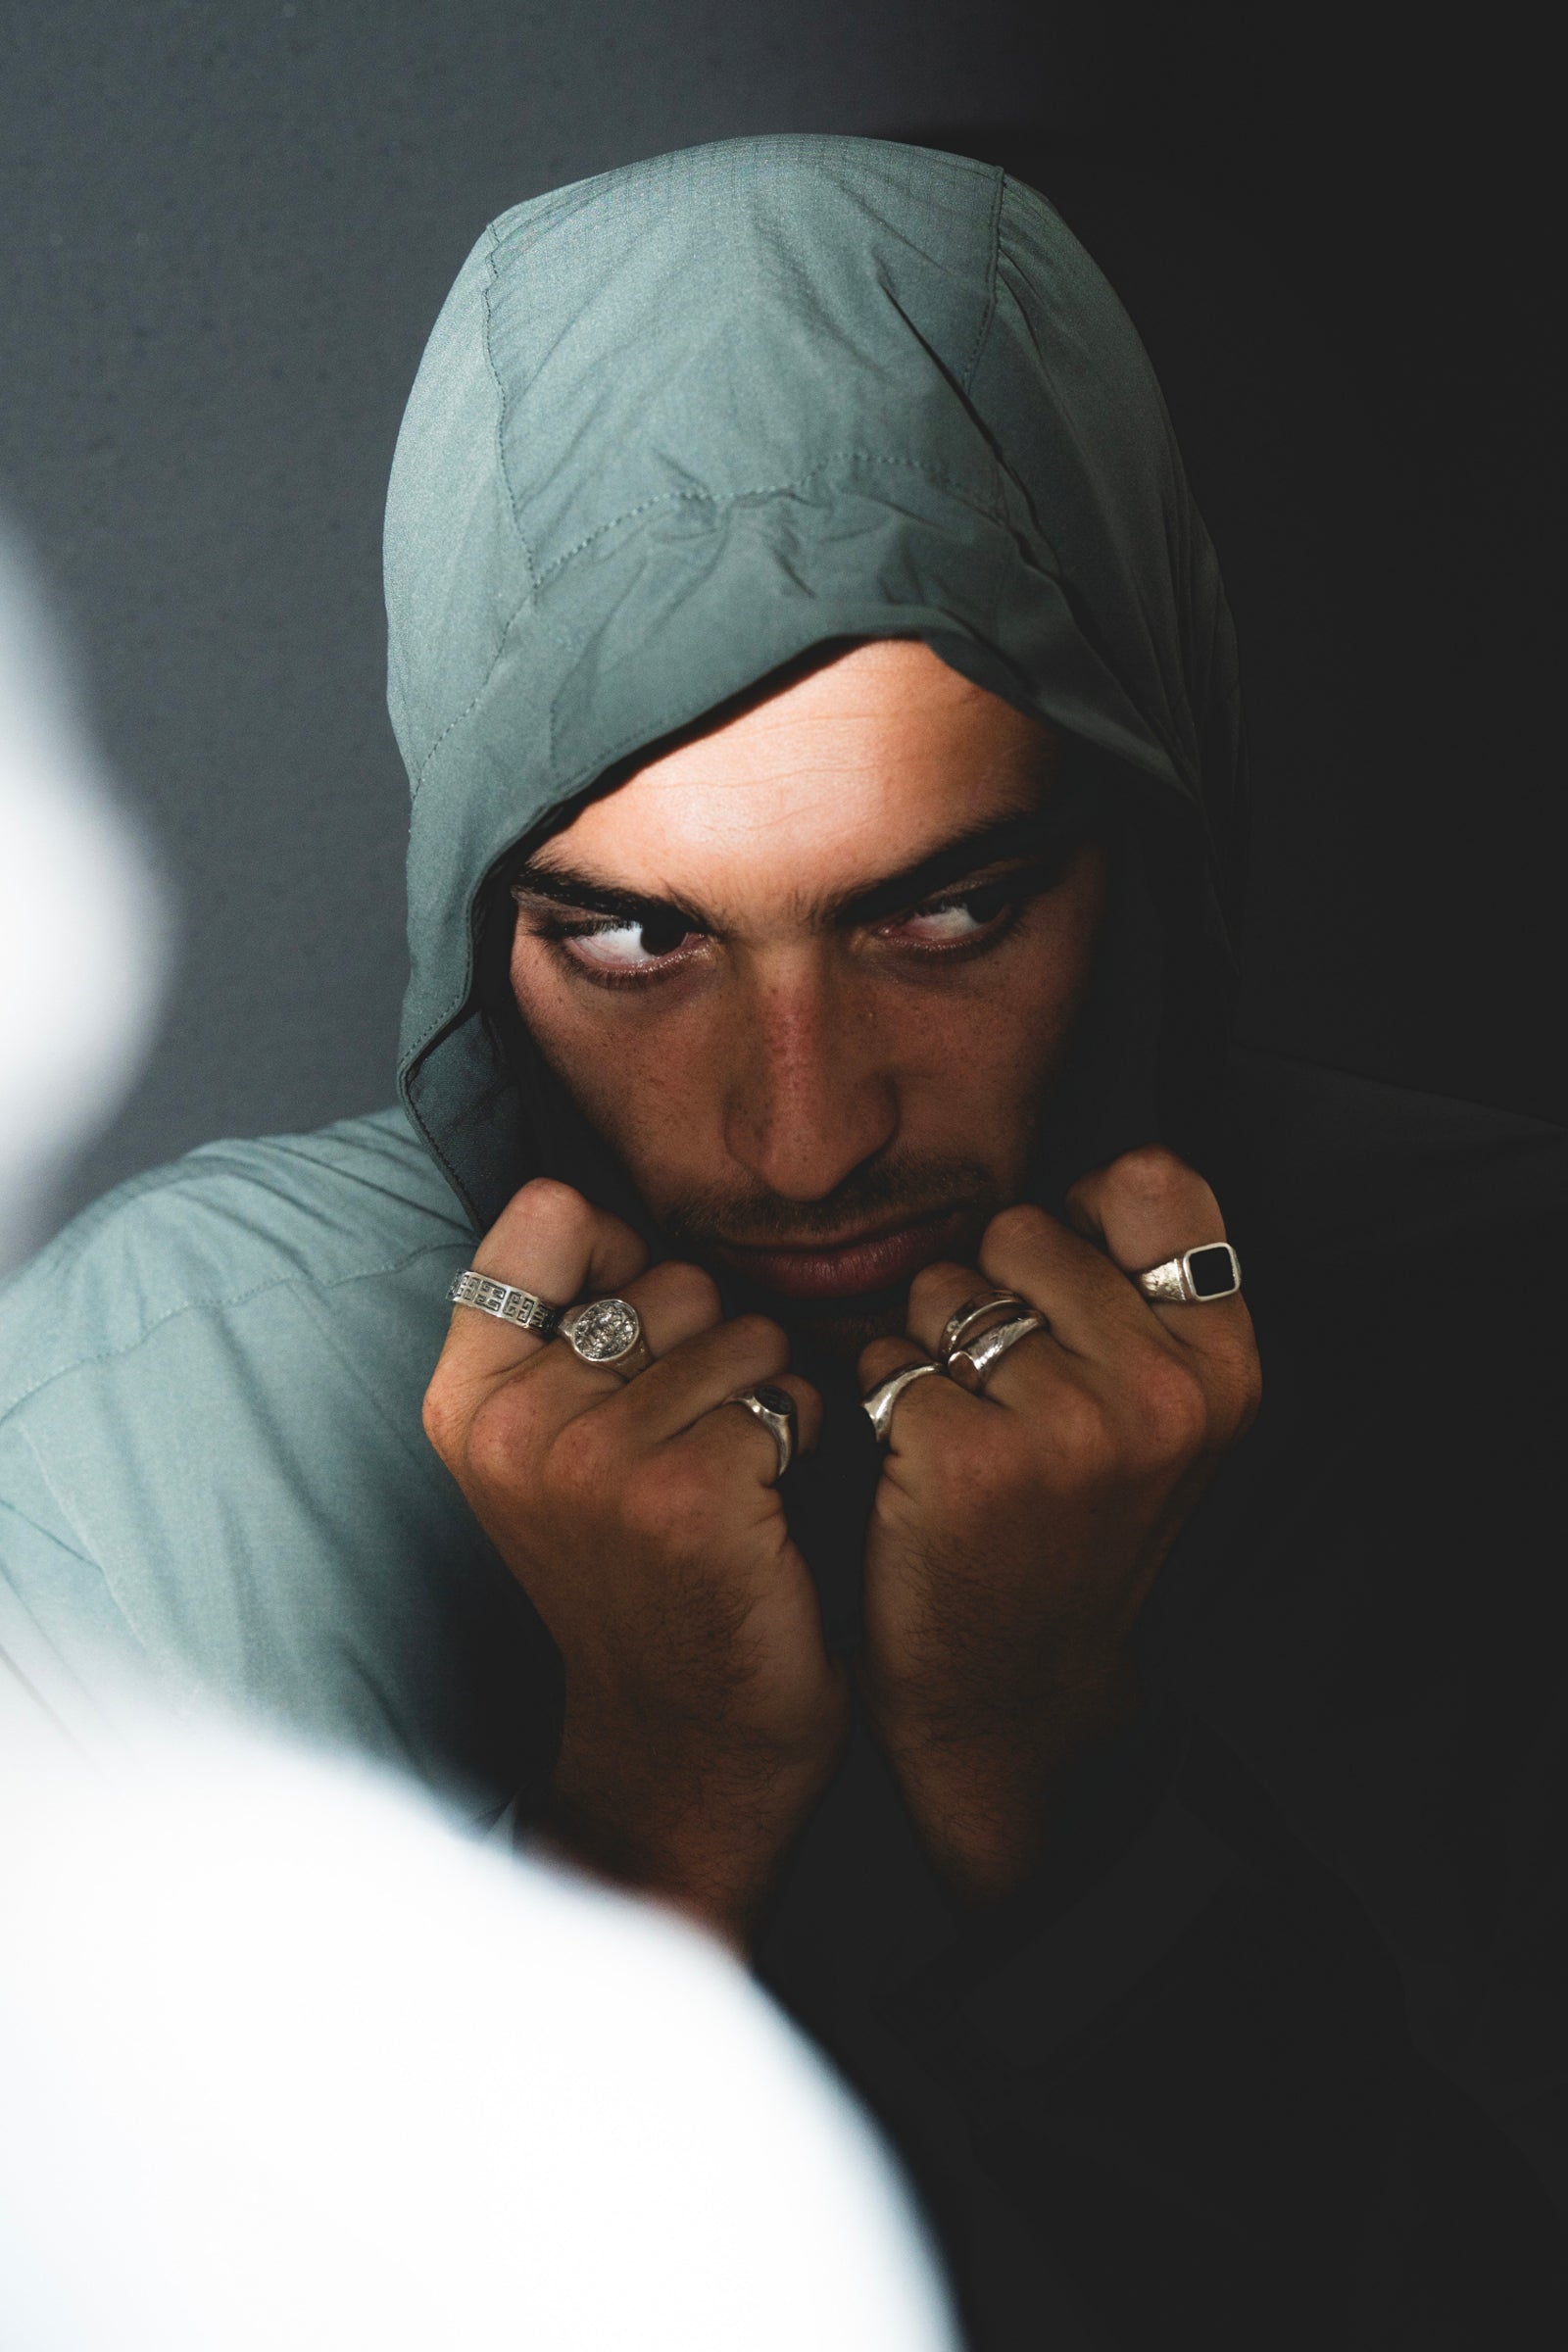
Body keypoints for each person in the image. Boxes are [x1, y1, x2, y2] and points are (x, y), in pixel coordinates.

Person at [1, 134, 1563, 2345]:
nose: (808, 1135)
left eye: (948, 913)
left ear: (1148, 838)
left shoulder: (1501, 1343)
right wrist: (651, 1814)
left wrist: (1054, 1782)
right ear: (476, 922)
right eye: (634, 939)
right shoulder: (154, 1427)